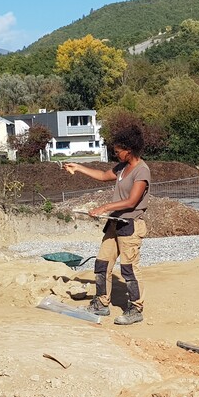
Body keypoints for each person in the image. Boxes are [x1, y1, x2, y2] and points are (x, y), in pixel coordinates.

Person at [62, 124, 150, 325]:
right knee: (102, 264)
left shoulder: (141, 171)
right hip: (114, 224)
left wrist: (104, 207)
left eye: (118, 151)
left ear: (129, 150)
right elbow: (102, 176)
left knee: (129, 268)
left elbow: (131, 202)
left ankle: (136, 309)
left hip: (130, 224)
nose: (116, 154)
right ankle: (101, 304)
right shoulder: (122, 168)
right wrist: (79, 167)